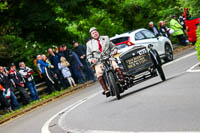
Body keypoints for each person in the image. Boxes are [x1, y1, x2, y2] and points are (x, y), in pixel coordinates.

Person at [86, 27, 124, 95]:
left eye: (96, 32)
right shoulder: (89, 44)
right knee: (98, 73)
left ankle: (122, 80)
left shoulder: (106, 38)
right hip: (98, 61)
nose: (95, 34)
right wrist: (92, 60)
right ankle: (106, 89)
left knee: (115, 65)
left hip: (109, 58)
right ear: (91, 35)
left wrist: (114, 50)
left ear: (98, 32)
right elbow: (88, 56)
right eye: (93, 33)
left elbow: (113, 47)